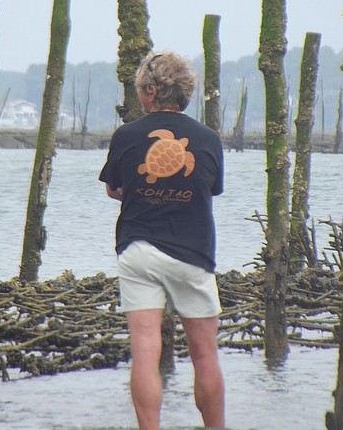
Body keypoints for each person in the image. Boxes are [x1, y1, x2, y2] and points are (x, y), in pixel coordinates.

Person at [99, 51, 225, 429]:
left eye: (141, 89)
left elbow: (113, 188)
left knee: (145, 353)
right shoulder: (208, 139)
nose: (140, 95)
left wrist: (142, 192)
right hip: (193, 253)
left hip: (138, 249)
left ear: (152, 90)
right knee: (205, 356)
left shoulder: (127, 135)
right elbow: (211, 189)